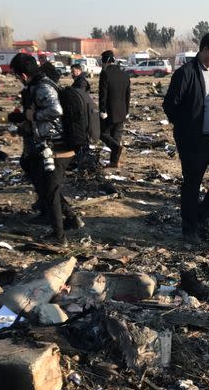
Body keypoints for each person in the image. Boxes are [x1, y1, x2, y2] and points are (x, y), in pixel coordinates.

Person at [163, 31, 209, 245]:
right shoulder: (186, 73)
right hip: (194, 140)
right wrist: (187, 128)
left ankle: (203, 215)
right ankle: (189, 229)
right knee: (192, 184)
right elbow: (170, 105)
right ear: (204, 50)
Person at [9, 53, 83, 245]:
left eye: (17, 76)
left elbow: (56, 110)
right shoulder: (40, 85)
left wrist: (33, 115)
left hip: (58, 145)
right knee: (45, 185)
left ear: (23, 75)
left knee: (50, 189)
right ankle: (71, 219)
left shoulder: (42, 87)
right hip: (48, 144)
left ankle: (59, 237)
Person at [98, 50, 131, 168]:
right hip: (122, 112)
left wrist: (102, 110)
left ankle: (116, 148)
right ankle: (114, 162)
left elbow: (103, 94)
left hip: (109, 112)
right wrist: (127, 111)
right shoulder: (124, 74)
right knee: (116, 136)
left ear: (106, 61)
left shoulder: (105, 74)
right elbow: (128, 95)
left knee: (102, 133)